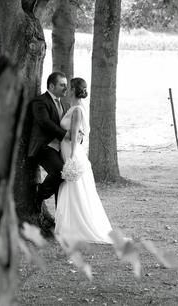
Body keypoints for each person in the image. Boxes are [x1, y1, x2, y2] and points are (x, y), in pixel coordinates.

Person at [55, 77, 113, 244]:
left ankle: (77, 226)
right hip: (67, 150)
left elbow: (75, 135)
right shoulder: (73, 108)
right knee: (71, 188)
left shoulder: (77, 110)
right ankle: (70, 225)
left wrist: (72, 157)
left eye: (68, 87)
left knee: (74, 188)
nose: (66, 89)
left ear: (73, 90)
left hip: (72, 152)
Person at [28, 72, 70, 210]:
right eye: (62, 85)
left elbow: (65, 124)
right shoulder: (40, 101)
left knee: (64, 181)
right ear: (51, 86)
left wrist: (76, 135)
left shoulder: (64, 103)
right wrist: (66, 135)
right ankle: (38, 194)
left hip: (59, 148)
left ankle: (60, 217)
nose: (66, 88)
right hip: (43, 147)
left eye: (66, 85)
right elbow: (45, 123)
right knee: (61, 172)